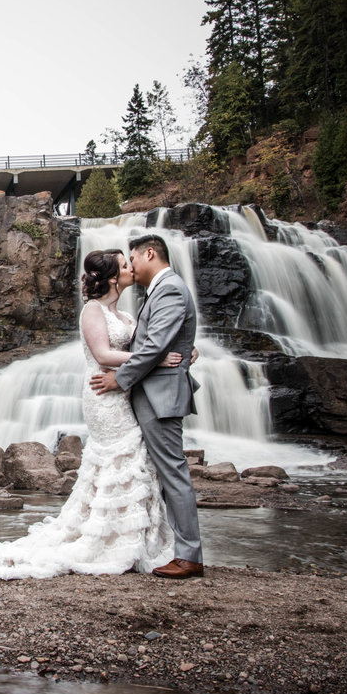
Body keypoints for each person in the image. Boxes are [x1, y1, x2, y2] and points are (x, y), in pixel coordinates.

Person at [0, 249, 182, 579]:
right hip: (103, 396)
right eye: (125, 266)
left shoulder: (124, 316)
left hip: (123, 394)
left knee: (131, 460)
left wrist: (178, 348)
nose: (131, 269)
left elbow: (147, 345)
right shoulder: (93, 311)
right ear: (111, 278)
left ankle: (127, 538)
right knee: (121, 459)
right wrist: (156, 360)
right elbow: (103, 353)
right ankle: (107, 539)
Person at [89, 234, 203, 579]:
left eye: (132, 259)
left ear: (149, 253)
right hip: (152, 392)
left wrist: (119, 379)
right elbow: (158, 344)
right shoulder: (161, 291)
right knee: (160, 473)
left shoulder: (169, 289)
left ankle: (189, 556)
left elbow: (154, 346)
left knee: (172, 472)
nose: (131, 267)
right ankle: (156, 545)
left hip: (160, 395)